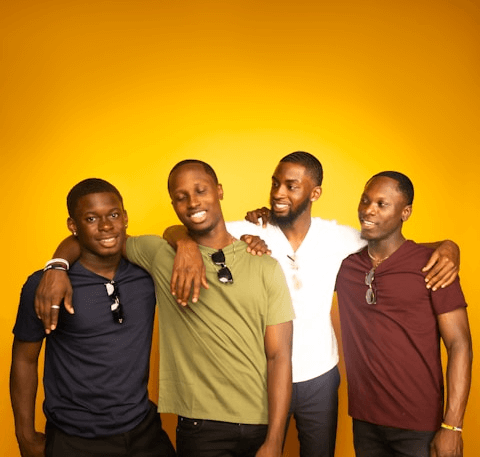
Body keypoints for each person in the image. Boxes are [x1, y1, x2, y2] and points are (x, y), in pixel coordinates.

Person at [163, 151, 461, 457]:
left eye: (291, 186)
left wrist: (448, 247)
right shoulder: (246, 232)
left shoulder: (340, 237)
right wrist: (184, 244)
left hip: (320, 377)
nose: (278, 193)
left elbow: (395, 245)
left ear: (314, 193)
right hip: (262, 376)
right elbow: (187, 228)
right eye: (275, 183)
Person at [34, 161, 295, 457]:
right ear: (173, 204)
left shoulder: (264, 264)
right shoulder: (158, 254)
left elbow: (279, 356)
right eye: (181, 197)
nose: (192, 202)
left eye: (201, 190)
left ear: (219, 191)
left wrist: (275, 440)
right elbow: (98, 237)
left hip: (260, 421)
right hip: (200, 426)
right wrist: (57, 265)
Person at [10, 178, 175, 457]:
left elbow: (178, 236)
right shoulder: (46, 286)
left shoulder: (147, 273)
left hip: (143, 430)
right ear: (72, 226)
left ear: (125, 218)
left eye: (113, 215)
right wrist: (24, 436)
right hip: (74, 438)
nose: (106, 226)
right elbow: (24, 360)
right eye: (91, 218)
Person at [335, 171, 472, 457]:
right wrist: (261, 226)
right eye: (365, 200)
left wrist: (453, 426)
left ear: (405, 212)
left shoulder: (434, 266)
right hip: (365, 420)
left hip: (419, 425)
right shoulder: (346, 267)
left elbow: (459, 345)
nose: (368, 210)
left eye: (382, 204)